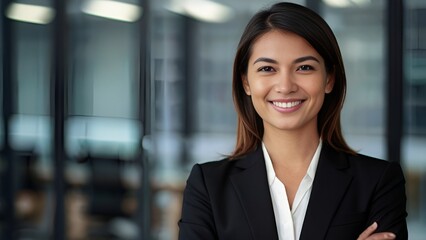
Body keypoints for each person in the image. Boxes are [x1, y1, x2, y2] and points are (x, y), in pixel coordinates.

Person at [178, 2, 408, 240]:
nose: (286, 86)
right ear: (246, 82)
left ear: (329, 79)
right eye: (267, 69)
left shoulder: (378, 182)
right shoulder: (208, 186)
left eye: (304, 67)